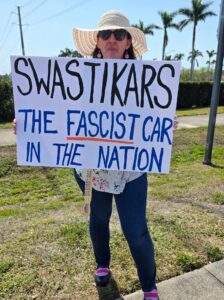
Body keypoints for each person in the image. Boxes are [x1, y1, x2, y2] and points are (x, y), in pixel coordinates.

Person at [72, 10, 173, 300]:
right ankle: (102, 265)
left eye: (119, 34)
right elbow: (59, 116)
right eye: (105, 34)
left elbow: (153, 119)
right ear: (97, 42)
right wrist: (29, 125)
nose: (112, 39)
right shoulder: (77, 78)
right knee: (98, 220)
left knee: (136, 230)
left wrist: (167, 123)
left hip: (131, 170)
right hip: (92, 169)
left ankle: (149, 287)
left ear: (129, 41)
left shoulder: (147, 81)